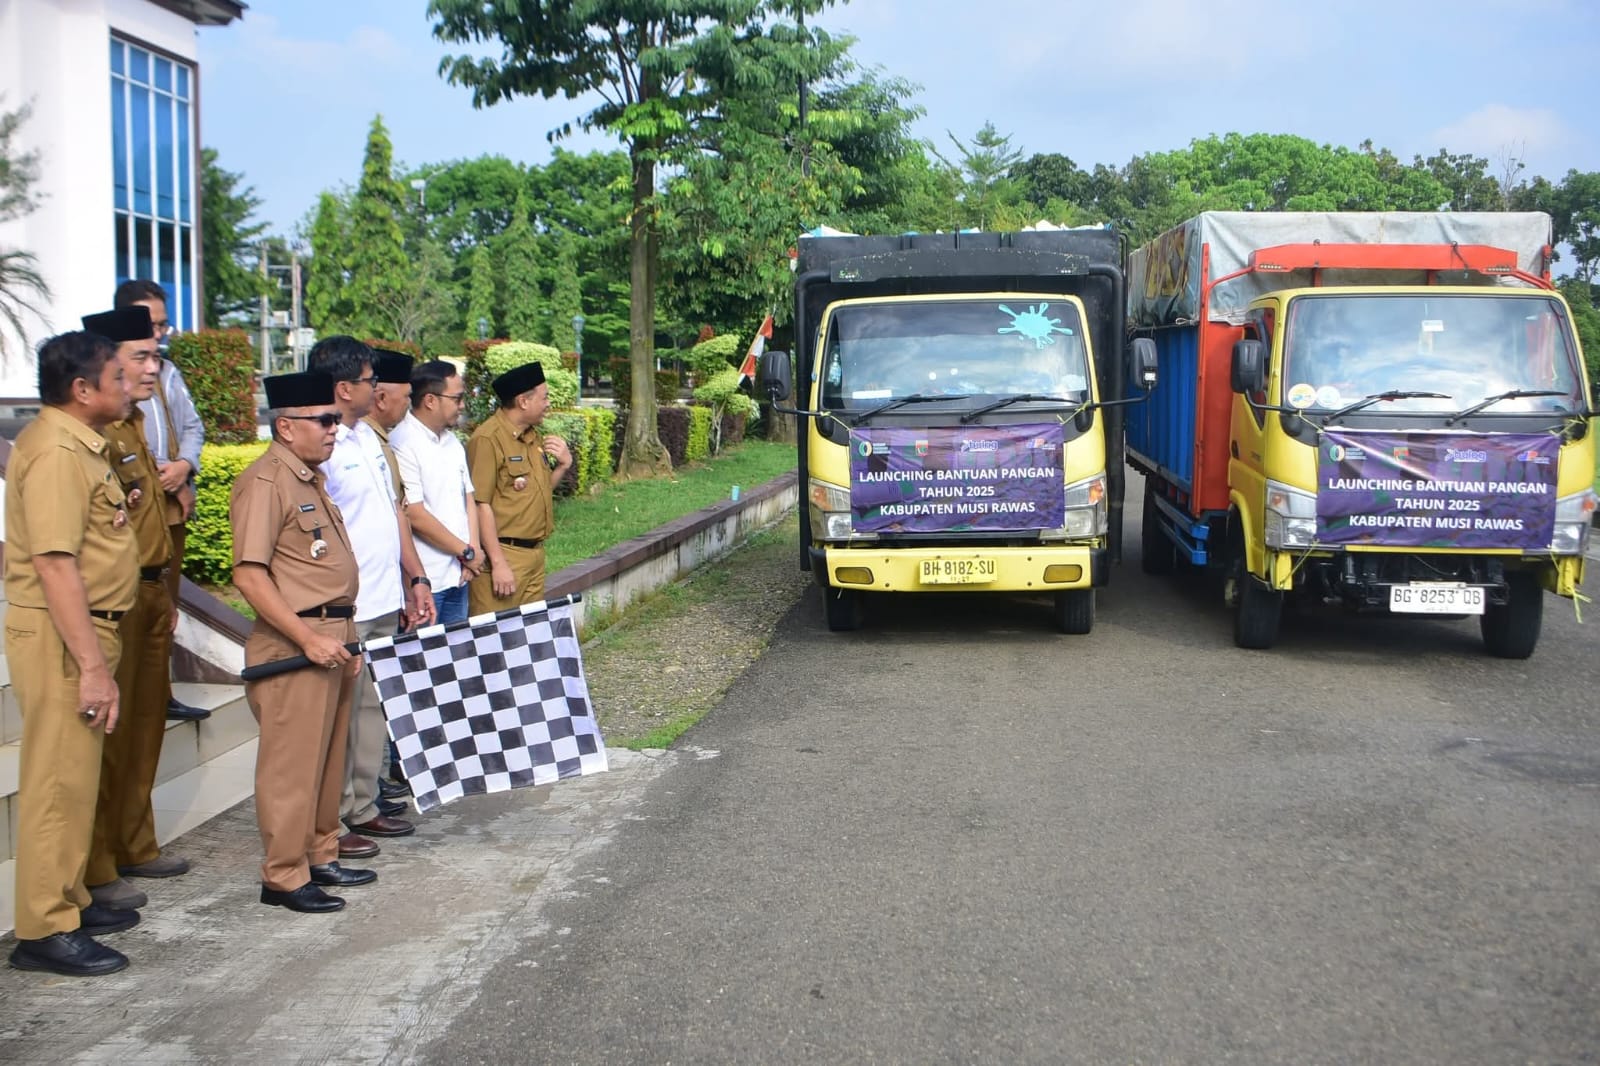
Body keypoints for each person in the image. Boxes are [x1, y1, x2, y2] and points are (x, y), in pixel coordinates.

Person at [5, 331, 140, 976]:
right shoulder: (58, 452)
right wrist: (90, 665)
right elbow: (56, 564)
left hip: (86, 628)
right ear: (82, 389)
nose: (130, 382)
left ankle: (70, 898)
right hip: (66, 634)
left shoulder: (79, 444)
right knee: (57, 783)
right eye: (118, 374)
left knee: (77, 776)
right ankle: (44, 928)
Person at [230, 370, 374, 913]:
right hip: (295, 644)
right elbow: (249, 575)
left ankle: (320, 852)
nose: (335, 429)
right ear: (287, 427)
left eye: (335, 419)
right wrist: (308, 638)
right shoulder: (266, 482)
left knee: (326, 759)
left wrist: (347, 637)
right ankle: (283, 875)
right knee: (291, 766)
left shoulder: (310, 479)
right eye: (325, 420)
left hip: (333, 636)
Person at [78, 308, 189, 917]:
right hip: (114, 600)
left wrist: (167, 593)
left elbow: (154, 513)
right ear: (106, 360)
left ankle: (134, 840)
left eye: (155, 355)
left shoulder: (139, 421)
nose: (154, 366)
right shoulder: (96, 433)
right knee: (111, 739)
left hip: (152, 589)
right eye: (141, 356)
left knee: (146, 726)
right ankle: (97, 862)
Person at [306, 337, 433, 850]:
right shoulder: (325, 446)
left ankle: (362, 804)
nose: (375, 388)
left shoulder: (367, 439)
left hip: (385, 597)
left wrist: (415, 578)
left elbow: (394, 513)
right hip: (346, 606)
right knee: (336, 721)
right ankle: (330, 820)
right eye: (367, 380)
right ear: (342, 387)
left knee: (370, 713)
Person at [114, 280, 209, 723]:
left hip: (171, 499)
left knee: (164, 599)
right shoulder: (112, 377)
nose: (159, 334)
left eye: (162, 324)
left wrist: (184, 468)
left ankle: (160, 688)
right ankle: (129, 687)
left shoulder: (168, 371)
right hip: (130, 504)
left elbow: (192, 426)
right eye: (150, 325)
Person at [465, 361, 572, 614]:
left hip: (534, 555)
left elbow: (540, 491)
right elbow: (480, 505)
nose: (548, 404)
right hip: (504, 554)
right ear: (523, 401)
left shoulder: (532, 436)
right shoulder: (487, 439)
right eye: (544, 397)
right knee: (496, 641)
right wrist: (499, 563)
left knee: (527, 638)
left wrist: (562, 466)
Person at [391, 360, 482, 626]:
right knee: (421, 663)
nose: (462, 405)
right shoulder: (403, 442)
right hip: (426, 583)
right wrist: (466, 552)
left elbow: (468, 498)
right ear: (430, 400)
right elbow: (414, 514)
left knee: (457, 658)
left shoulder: (453, 442)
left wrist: (473, 549)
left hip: (460, 575)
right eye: (457, 398)